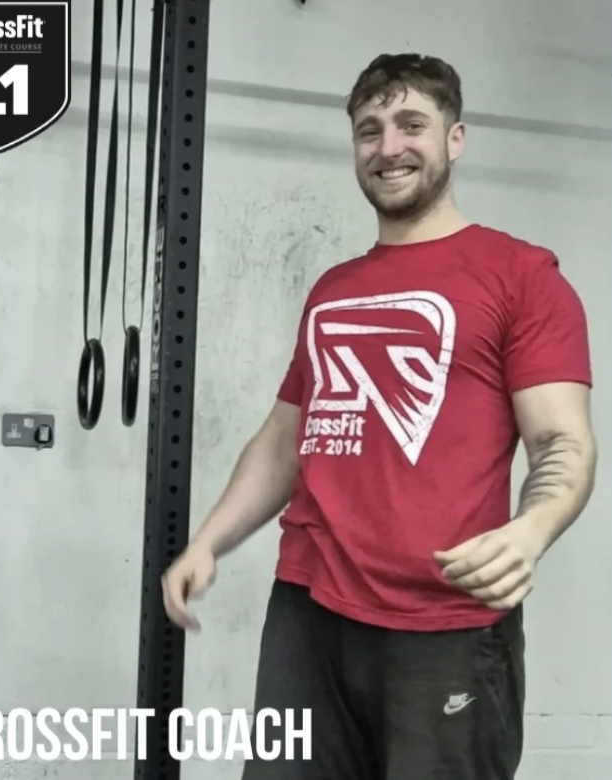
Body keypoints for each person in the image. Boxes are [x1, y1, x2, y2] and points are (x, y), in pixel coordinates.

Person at [161, 53, 597, 780]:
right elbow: (284, 436)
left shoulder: (520, 275)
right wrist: (208, 540)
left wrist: (532, 528)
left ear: (453, 138)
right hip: (309, 604)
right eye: (368, 130)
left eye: (410, 124)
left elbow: (560, 438)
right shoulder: (336, 286)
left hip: (443, 621)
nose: (387, 146)